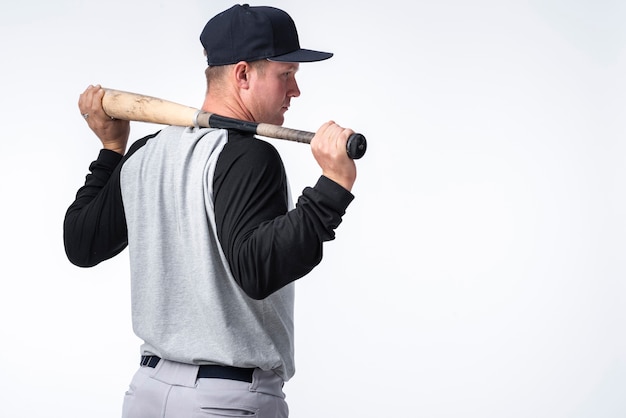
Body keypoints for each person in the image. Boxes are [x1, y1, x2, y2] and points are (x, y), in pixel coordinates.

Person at [63, 4, 357, 418]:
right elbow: (257, 271)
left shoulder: (146, 152)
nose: (296, 91)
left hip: (146, 393)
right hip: (224, 402)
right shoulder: (252, 157)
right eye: (286, 75)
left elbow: (81, 243)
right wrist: (332, 188)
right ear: (243, 74)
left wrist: (112, 151)